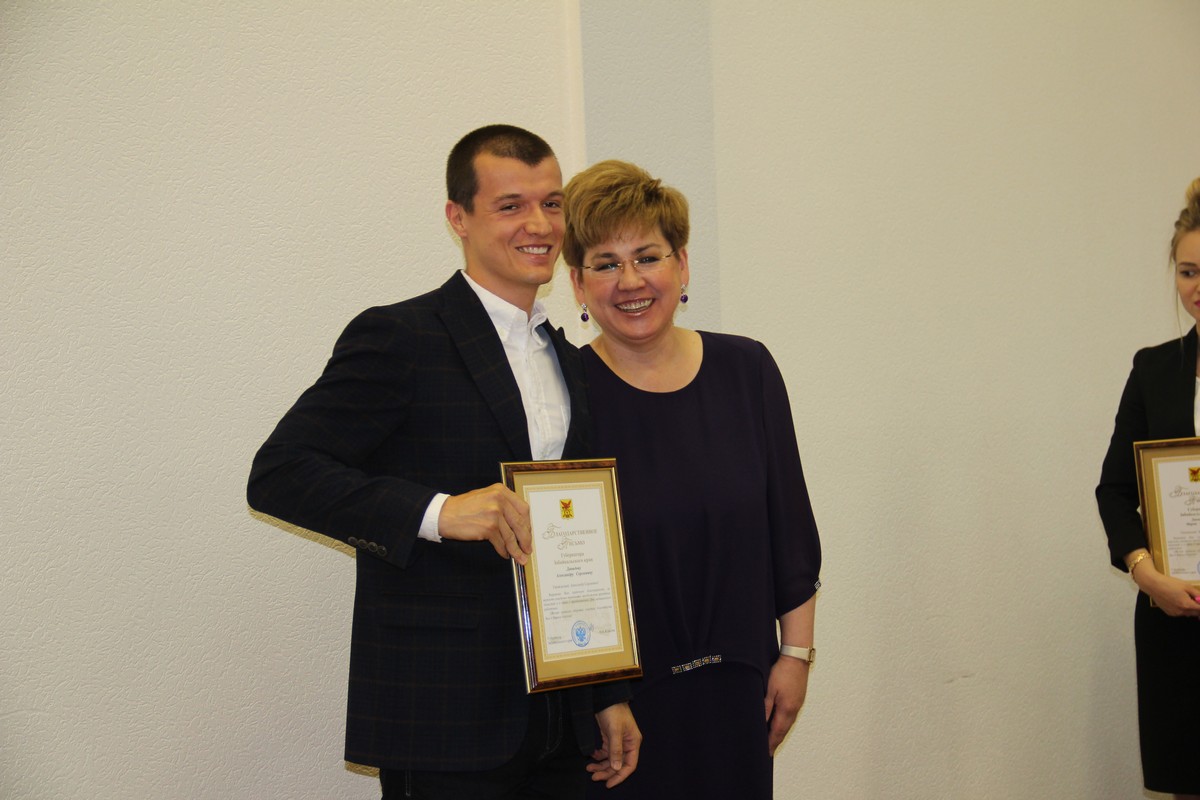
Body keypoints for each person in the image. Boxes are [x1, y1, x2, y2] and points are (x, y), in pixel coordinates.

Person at [247, 125, 640, 799]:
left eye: (551, 204)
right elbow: (280, 472)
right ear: (458, 218)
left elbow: (575, 541)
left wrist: (605, 690)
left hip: (560, 725)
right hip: (442, 715)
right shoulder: (400, 336)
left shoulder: (571, 361)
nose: (539, 224)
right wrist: (438, 512)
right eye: (511, 206)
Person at [561, 160, 822, 798]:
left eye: (647, 257)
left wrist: (795, 656)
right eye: (605, 263)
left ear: (682, 265)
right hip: (625, 709)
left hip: (742, 687)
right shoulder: (564, 392)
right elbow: (564, 569)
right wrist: (603, 695)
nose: (630, 281)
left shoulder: (747, 368)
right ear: (577, 284)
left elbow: (789, 527)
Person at [1096, 178, 1200, 799]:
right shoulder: (1153, 369)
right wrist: (1146, 573)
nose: (1198, 287)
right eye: (1188, 272)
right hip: (1175, 622)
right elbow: (1114, 490)